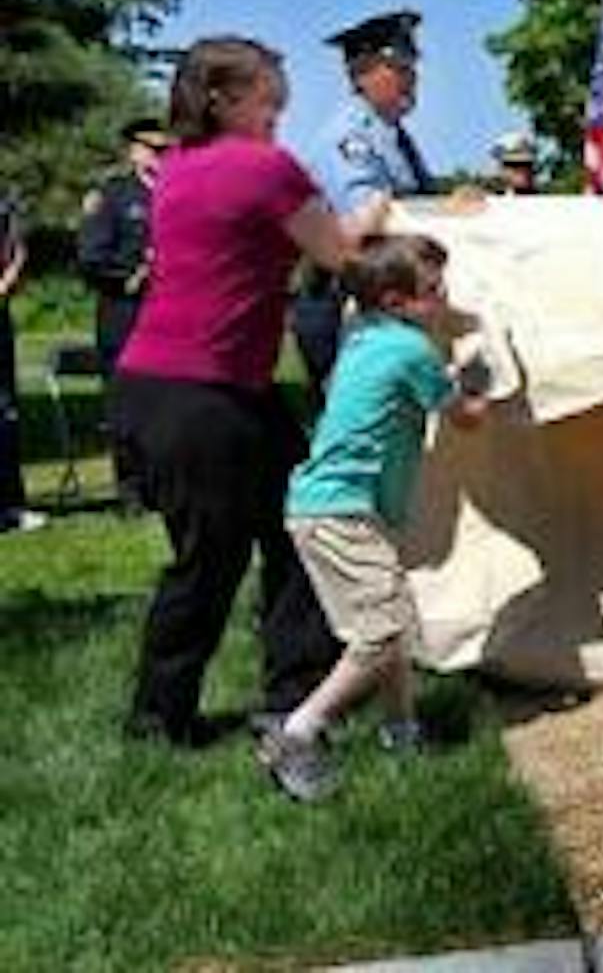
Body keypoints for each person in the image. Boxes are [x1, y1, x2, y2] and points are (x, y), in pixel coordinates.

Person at [116, 37, 387, 746]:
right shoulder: (264, 168)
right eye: (268, 101)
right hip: (200, 394)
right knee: (212, 560)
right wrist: (380, 214)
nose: (279, 116)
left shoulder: (177, 167)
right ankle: (156, 722)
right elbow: (343, 257)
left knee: (297, 522)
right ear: (222, 100)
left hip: (174, 386)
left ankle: (295, 694)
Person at [256, 233, 488, 802]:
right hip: (343, 511)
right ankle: (298, 731)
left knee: (389, 625)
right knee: (383, 631)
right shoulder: (412, 351)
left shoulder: (363, 337)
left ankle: (402, 732)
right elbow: (467, 418)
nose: (445, 298)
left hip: (330, 507)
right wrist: (484, 379)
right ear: (394, 302)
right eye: (432, 292)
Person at [295, 10, 434, 403]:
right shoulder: (349, 138)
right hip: (345, 303)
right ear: (360, 73)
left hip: (386, 302)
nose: (412, 78)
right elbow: (368, 227)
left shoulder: (392, 138)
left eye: (411, 67)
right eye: (398, 67)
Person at [78, 117, 169, 504]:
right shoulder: (113, 196)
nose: (161, 157)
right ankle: (131, 488)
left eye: (166, 150)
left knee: (169, 403)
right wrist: (131, 275)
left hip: (172, 317)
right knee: (127, 402)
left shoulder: (179, 193)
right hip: (125, 313)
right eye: (153, 150)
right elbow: (91, 257)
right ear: (134, 151)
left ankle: (166, 483)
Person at [0, 190, 37, 533]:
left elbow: (17, 251)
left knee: (5, 412)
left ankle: (11, 505)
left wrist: (6, 282)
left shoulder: (5, 202)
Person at [489, 130, 540, 196]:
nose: (522, 170)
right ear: (501, 169)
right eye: (514, 165)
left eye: (527, 165)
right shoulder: (490, 203)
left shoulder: (549, 203)